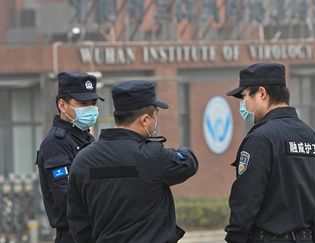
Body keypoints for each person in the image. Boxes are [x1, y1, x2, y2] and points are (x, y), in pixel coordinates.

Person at [67, 80, 198, 243]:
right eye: (155, 116)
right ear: (144, 120)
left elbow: (78, 222)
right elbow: (189, 163)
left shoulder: (82, 160)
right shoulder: (152, 156)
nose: (155, 123)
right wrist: (183, 151)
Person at [225, 63, 315, 243]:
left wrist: (235, 237)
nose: (244, 105)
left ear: (262, 93)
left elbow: (246, 200)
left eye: (244, 98)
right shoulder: (314, 137)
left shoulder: (260, 138)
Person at [36, 72, 104, 243]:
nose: (90, 109)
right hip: (73, 235)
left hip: (95, 232)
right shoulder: (55, 144)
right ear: (62, 105)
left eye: (93, 103)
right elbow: (66, 199)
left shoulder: (85, 137)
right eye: (82, 103)